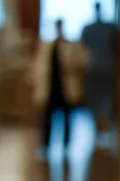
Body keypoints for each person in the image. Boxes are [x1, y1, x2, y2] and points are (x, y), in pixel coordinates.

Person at [32, 18, 87, 156]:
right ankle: (45, 146)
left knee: (67, 118)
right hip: (51, 86)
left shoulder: (71, 45)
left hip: (64, 87)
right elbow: (39, 65)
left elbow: (82, 61)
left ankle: (66, 146)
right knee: (47, 118)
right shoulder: (47, 45)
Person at [81, 1, 120, 145]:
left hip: (98, 67)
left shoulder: (92, 29)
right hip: (105, 66)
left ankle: (102, 128)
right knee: (102, 97)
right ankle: (102, 128)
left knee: (99, 98)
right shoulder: (109, 28)